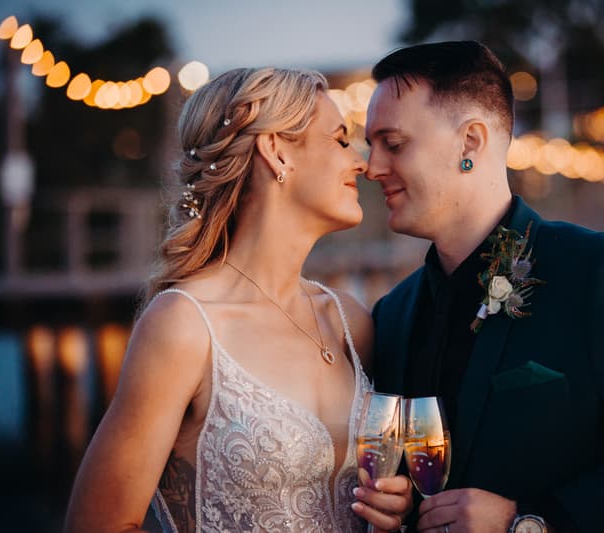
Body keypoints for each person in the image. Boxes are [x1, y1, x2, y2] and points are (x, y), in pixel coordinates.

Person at [365, 41, 604, 533]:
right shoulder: (391, 315)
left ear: (470, 142)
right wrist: (395, 505)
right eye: (371, 145)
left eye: (393, 144)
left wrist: (528, 521)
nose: (372, 167)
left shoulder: (601, 273)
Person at [64, 67, 412, 533]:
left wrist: (393, 507)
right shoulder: (184, 325)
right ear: (276, 150)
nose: (362, 164)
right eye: (340, 140)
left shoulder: (349, 321)